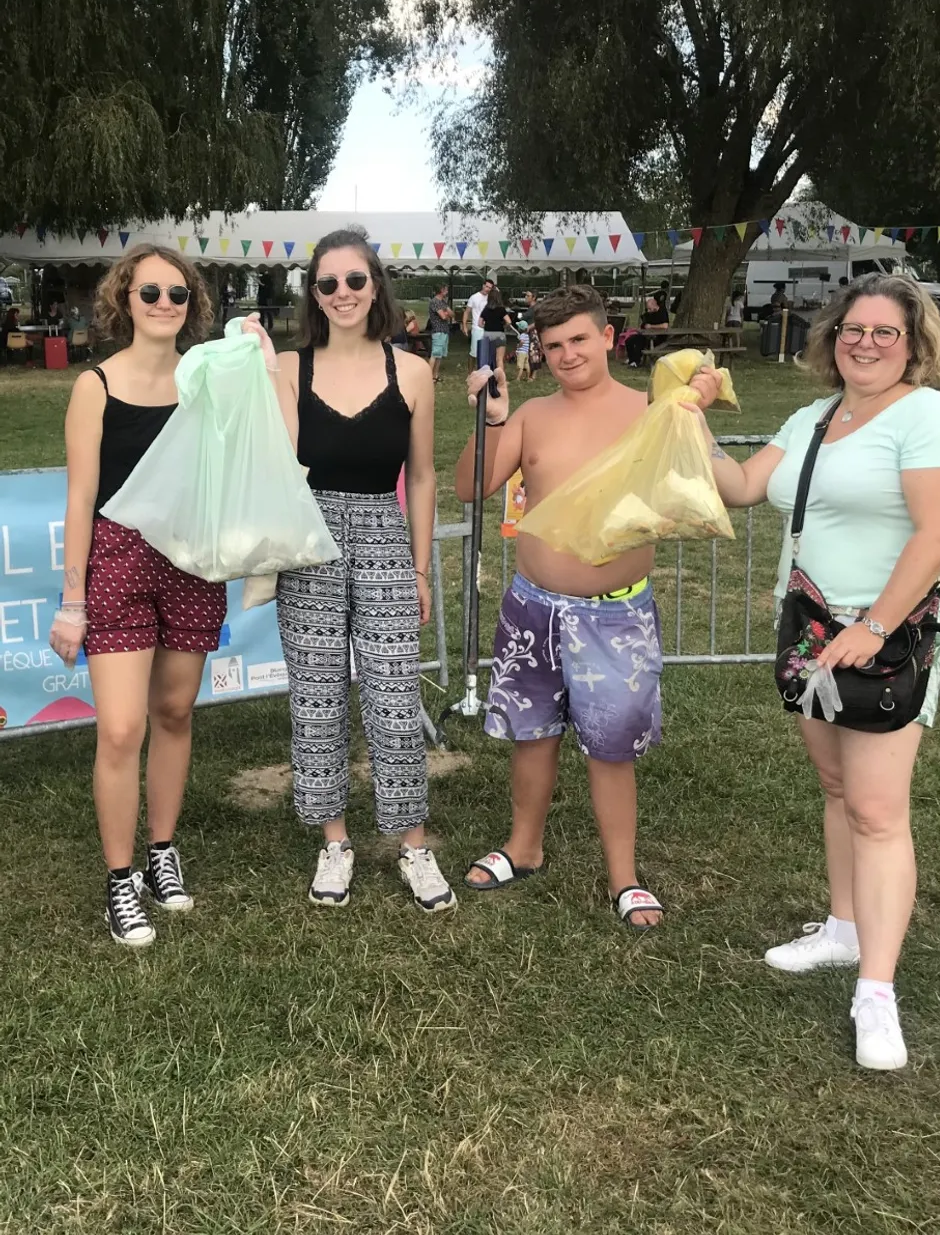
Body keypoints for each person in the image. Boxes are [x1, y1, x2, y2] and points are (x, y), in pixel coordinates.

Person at [691, 273, 940, 1070]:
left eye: (886, 333)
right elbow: (745, 487)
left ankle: (877, 992)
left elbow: (939, 530)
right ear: (832, 337)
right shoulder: (815, 416)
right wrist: (698, 424)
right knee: (839, 792)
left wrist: (873, 624)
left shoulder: (928, 417)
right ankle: (844, 929)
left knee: (880, 811)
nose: (867, 343)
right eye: (855, 329)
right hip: (812, 626)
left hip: (888, 633)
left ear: (915, 345)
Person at [456, 285, 721, 930]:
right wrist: (491, 421)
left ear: (607, 336)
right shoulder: (533, 418)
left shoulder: (654, 412)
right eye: (553, 346)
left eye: (578, 339)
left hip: (616, 614)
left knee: (611, 748)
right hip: (532, 609)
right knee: (531, 734)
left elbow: (706, 483)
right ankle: (525, 845)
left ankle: (624, 876)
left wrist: (695, 414)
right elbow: (470, 487)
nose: (567, 354)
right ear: (539, 353)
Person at [261, 227, 454, 914]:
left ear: (376, 285)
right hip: (307, 534)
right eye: (328, 283)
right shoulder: (288, 367)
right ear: (313, 294)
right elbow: (279, 460)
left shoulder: (413, 372)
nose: (342, 293)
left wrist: (421, 567)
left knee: (396, 697)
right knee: (316, 699)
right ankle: (334, 841)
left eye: (355, 280)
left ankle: (413, 844)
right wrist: (256, 370)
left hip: (383, 531)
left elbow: (424, 475)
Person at [48, 245, 227, 947]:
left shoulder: (206, 379)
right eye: (149, 291)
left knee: (175, 710)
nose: (163, 303)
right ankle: (120, 880)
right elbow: (81, 495)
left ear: (192, 305)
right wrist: (72, 599)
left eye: (176, 294)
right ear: (124, 299)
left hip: (191, 558)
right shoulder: (95, 384)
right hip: (118, 558)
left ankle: (161, 853)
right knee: (122, 727)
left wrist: (261, 358)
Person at [625, 295, 669, 369]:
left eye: (649, 308)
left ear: (654, 306)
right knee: (629, 341)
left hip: (658, 337)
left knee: (639, 341)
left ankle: (636, 362)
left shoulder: (662, 312)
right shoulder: (648, 314)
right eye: (647, 308)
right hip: (646, 335)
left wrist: (651, 326)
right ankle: (631, 359)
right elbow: (644, 324)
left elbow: (665, 326)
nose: (648, 310)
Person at [478, 286, 512, 370]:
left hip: (487, 334)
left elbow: (479, 323)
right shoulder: (501, 309)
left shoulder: (486, 309)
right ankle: (501, 380)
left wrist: (486, 326)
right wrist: (504, 326)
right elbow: (509, 321)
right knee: (499, 359)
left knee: (487, 359)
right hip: (499, 334)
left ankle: (488, 377)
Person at [462, 278, 494, 361]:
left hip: (488, 328)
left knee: (486, 352)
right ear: (483, 285)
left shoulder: (491, 298)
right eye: (487, 286)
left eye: (490, 288)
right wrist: (464, 325)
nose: (488, 289)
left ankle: (484, 371)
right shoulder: (474, 297)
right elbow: (467, 312)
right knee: (474, 353)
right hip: (477, 328)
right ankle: (470, 372)